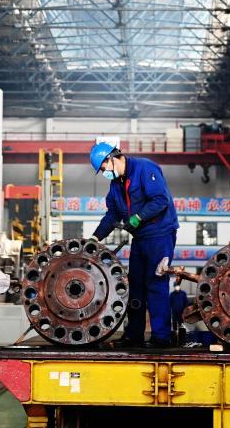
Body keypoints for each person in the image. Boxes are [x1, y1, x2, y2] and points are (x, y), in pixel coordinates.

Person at [89, 142, 179, 348]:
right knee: (135, 285)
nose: (104, 172)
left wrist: (138, 218)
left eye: (104, 167)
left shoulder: (145, 168)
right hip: (140, 238)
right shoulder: (116, 185)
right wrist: (95, 238)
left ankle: (161, 337)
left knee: (155, 282)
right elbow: (112, 214)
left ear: (113, 158)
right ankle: (134, 336)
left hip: (160, 235)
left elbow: (160, 200)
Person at [170, 278, 189, 346]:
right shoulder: (172, 294)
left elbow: (186, 302)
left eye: (177, 286)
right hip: (174, 312)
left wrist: (185, 311)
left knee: (182, 326)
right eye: (176, 286)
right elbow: (170, 303)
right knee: (174, 326)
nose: (177, 287)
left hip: (181, 312)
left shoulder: (183, 294)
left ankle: (182, 340)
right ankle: (175, 340)